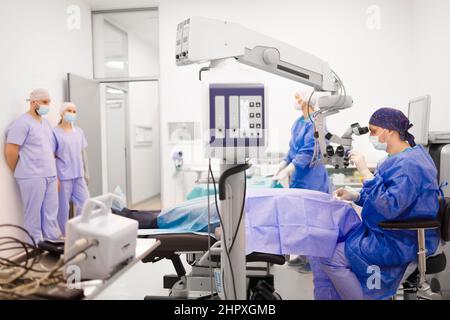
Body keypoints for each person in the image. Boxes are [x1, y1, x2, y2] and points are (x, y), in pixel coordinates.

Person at [318, 107, 441, 299]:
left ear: (390, 130)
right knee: (334, 245)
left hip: (400, 240)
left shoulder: (410, 165)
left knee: (330, 258)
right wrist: (356, 196)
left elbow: (390, 206)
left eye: (374, 131)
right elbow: (382, 197)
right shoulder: (395, 159)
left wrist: (366, 173)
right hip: (388, 232)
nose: (371, 136)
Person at [274, 88, 331, 271]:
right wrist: (284, 162)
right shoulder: (299, 123)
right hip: (299, 178)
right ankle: (303, 255)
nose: (296, 99)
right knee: (300, 218)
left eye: (298, 96)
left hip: (312, 178)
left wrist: (292, 166)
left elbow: (309, 150)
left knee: (314, 220)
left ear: (308, 99)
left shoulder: (317, 122)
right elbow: (294, 148)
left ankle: (315, 262)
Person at [4, 88, 61, 243]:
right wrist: (21, 170)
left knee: (51, 212)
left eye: (49, 102)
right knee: (33, 214)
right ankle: (34, 247)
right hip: (31, 176)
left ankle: (52, 242)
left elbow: (49, 150)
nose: (48, 105)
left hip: (50, 174)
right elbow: (11, 150)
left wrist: (55, 176)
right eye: (44, 102)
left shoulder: (46, 123)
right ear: (34, 103)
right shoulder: (22, 123)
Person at [53, 102, 90, 235]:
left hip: (78, 175)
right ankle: (65, 236)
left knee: (86, 204)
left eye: (74, 111)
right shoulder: (54, 132)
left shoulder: (79, 131)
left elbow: (82, 152)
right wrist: (55, 177)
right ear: (62, 113)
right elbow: (51, 156)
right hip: (63, 176)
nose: (72, 114)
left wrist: (87, 172)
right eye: (69, 110)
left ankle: (79, 231)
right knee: (63, 209)